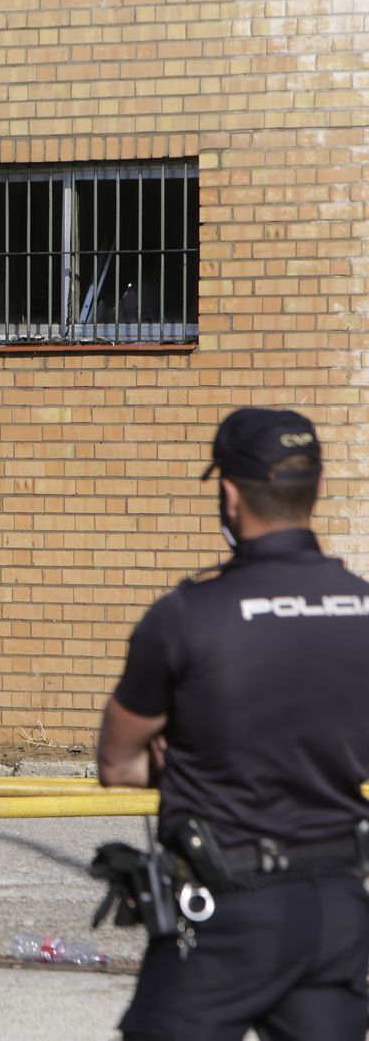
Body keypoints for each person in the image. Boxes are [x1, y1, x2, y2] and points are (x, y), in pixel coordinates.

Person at [98, 407, 369, 1040]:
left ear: (229, 493)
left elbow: (118, 764)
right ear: (315, 489)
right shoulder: (362, 607)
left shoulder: (187, 616)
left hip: (226, 908)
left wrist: (190, 757)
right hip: (337, 910)